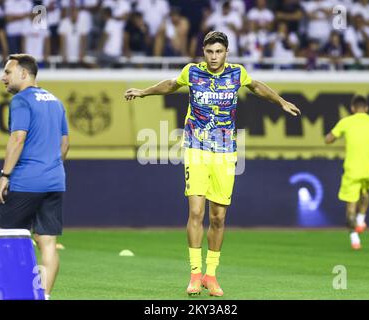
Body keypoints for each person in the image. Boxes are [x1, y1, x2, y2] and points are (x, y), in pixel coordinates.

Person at [124, 31, 300, 297]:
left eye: (218, 52)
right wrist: (144, 92)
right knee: (196, 213)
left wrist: (281, 101)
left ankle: (211, 275)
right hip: (196, 148)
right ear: (203, 53)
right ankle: (195, 275)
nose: (213, 57)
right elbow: (171, 84)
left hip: (225, 153)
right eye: (209, 52)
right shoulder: (193, 72)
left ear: (226, 52)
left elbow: (256, 86)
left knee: (218, 218)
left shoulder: (237, 73)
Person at [0, 54, 70, 300]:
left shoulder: (21, 100)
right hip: (54, 181)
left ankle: (10, 293)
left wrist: (5, 175)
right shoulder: (55, 101)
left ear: (24, 74)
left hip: (26, 181)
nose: (3, 77)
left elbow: (18, 138)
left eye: (8, 72)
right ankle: (44, 296)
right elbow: (65, 144)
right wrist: (50, 167)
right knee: (47, 242)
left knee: (2, 238)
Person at [325, 95, 369, 250]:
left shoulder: (346, 122)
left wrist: (331, 136)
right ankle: (361, 220)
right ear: (366, 108)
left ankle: (354, 238)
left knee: (351, 205)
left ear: (353, 108)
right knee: (365, 193)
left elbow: (328, 139)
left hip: (352, 169)